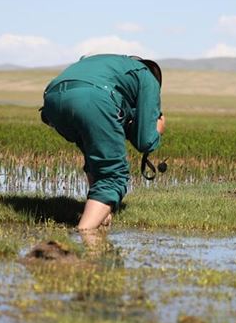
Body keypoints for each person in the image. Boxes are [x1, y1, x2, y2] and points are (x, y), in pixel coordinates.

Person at [41, 54, 165, 232]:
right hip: (94, 98)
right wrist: (158, 130)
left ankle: (102, 214)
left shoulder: (107, 65)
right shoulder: (147, 76)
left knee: (95, 154)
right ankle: (85, 236)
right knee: (113, 176)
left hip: (52, 100)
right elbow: (144, 141)